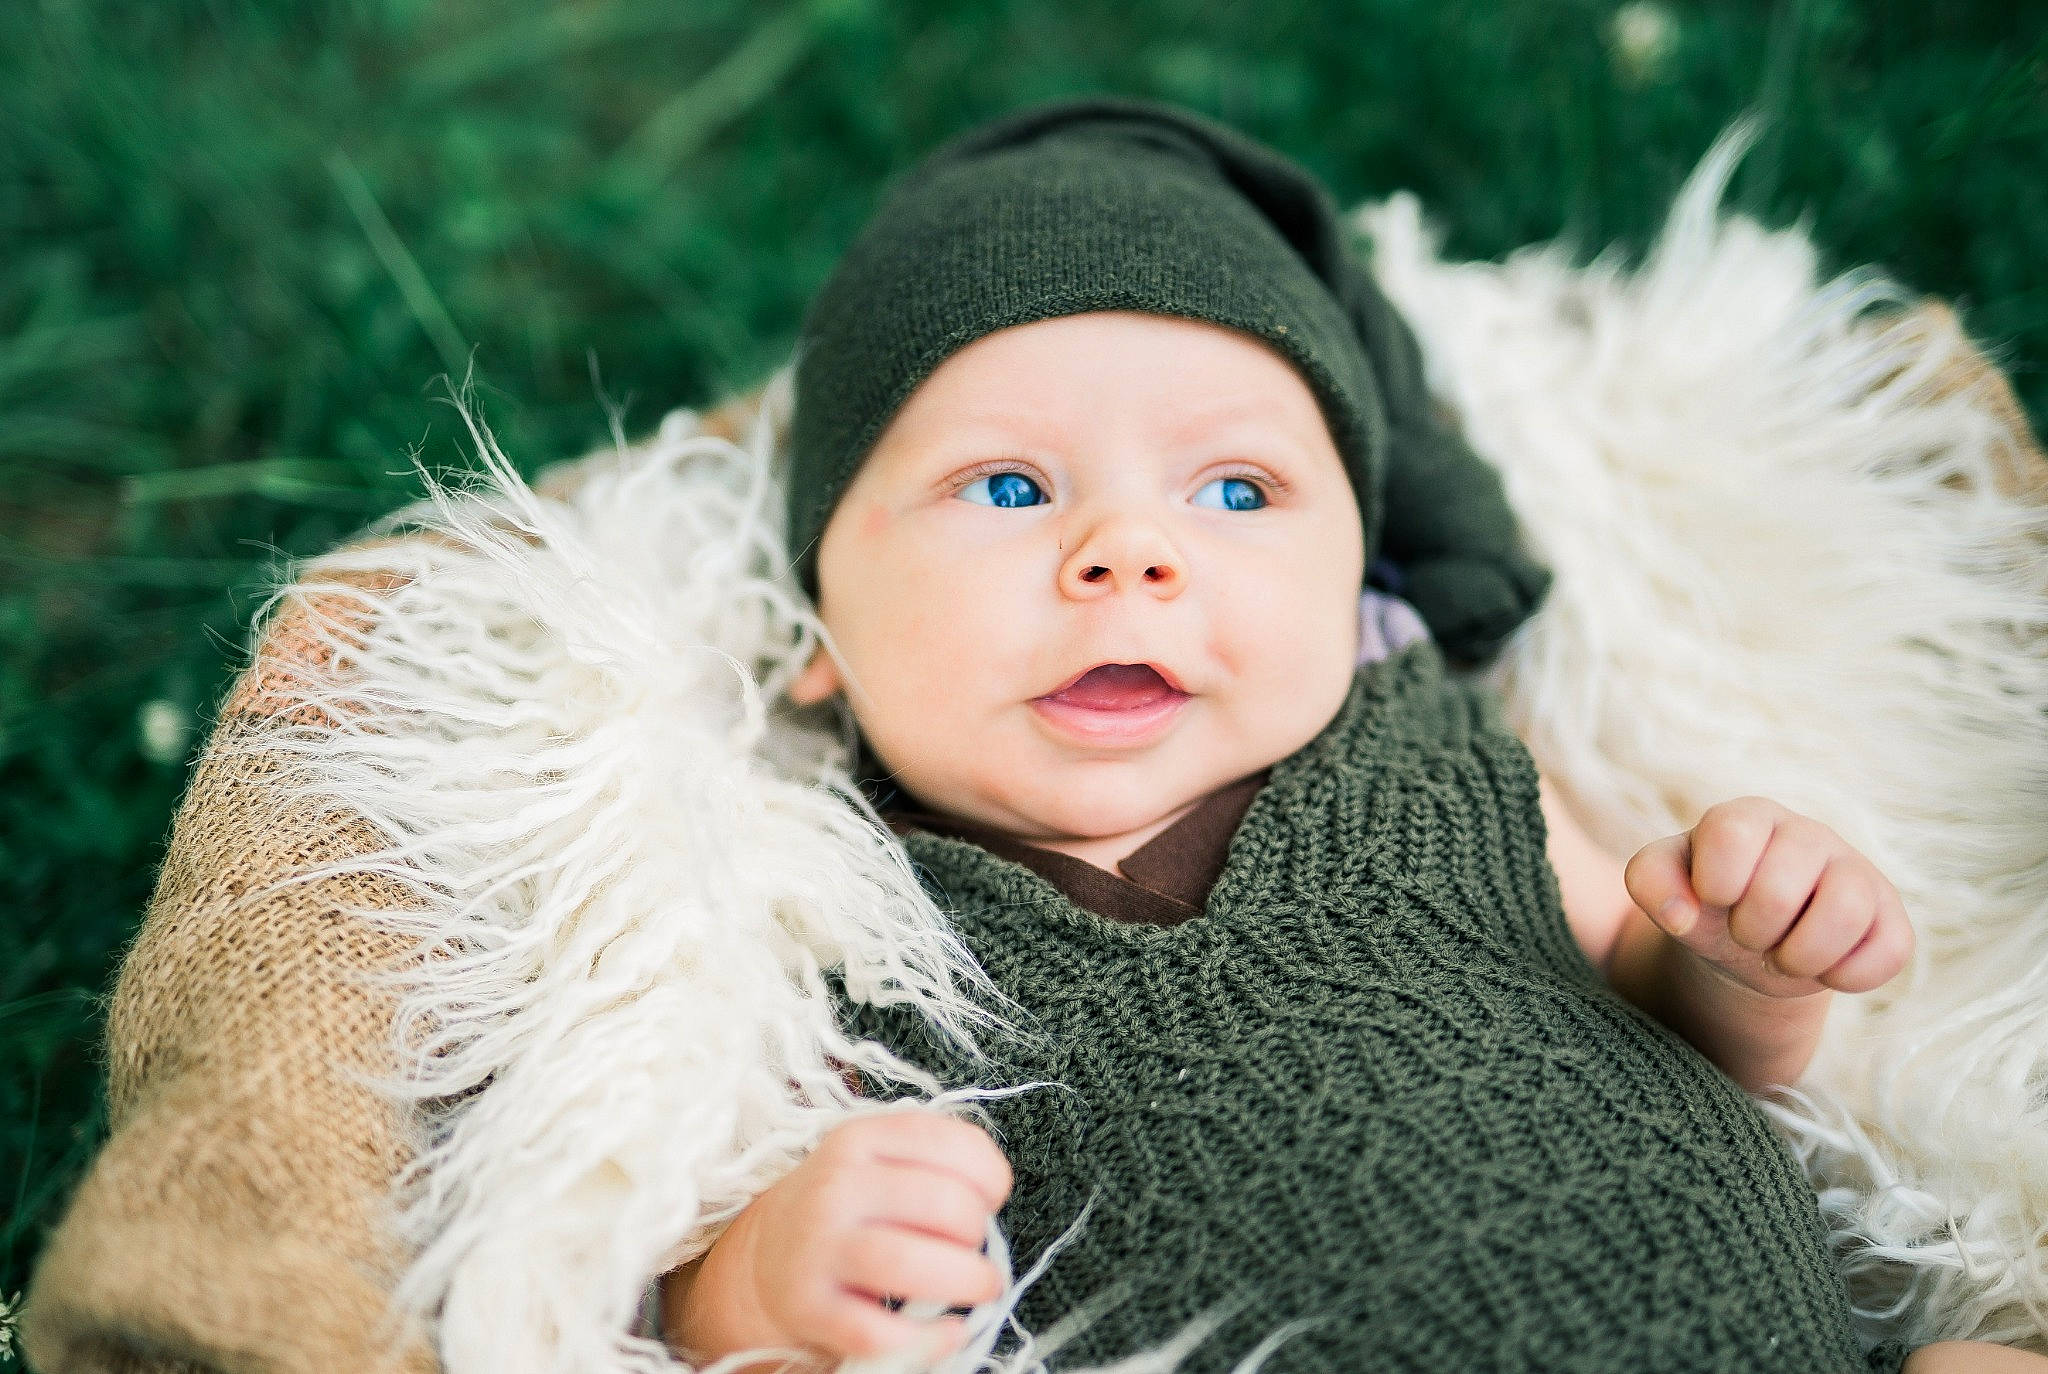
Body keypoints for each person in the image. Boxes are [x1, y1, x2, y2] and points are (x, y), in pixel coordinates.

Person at [654, 96, 2047, 1373]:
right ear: (818, 622)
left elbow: (1661, 1010)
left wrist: (1738, 962)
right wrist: (768, 1282)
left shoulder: (1428, 746)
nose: (1127, 551)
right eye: (1010, 486)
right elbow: (673, 1268)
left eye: (1236, 491)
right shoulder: (845, 909)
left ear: (1358, 575)